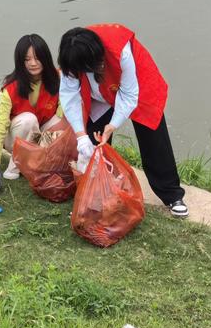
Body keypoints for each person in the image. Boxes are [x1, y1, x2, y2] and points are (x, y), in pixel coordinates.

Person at [58, 23, 188, 218]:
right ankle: (98, 194)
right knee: (93, 140)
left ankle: (172, 195)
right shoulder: (73, 57)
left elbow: (128, 95)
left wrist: (113, 125)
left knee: (153, 138)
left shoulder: (121, 50)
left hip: (137, 85)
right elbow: (69, 97)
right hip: (100, 92)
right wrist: (80, 134)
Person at [0, 34, 62, 192]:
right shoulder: (10, 88)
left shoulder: (58, 79)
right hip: (15, 135)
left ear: (45, 58)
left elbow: (62, 115)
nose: (33, 63)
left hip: (41, 131)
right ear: (20, 61)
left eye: (37, 58)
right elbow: (0, 127)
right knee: (28, 119)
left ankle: (39, 162)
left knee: (59, 124)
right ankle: (15, 167)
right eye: (27, 59)